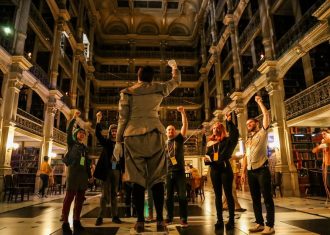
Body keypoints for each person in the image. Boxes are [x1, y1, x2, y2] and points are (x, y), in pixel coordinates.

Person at [114, 61, 181, 233]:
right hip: (155, 133)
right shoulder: (158, 88)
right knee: (157, 178)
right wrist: (174, 68)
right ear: (152, 77)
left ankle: (140, 221)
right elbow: (176, 82)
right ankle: (160, 220)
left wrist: (118, 141)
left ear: (138, 76)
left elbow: (123, 118)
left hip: (132, 135)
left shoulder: (127, 92)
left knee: (137, 179)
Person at [241, 96, 275, 235]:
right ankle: (259, 223)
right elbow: (245, 157)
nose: (248, 125)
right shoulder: (248, 140)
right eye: (247, 124)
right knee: (254, 199)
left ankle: (270, 225)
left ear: (257, 123)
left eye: (250, 123)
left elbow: (266, 115)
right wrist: (243, 172)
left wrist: (260, 102)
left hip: (262, 170)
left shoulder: (263, 132)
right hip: (250, 171)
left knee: (267, 198)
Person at [205, 112, 239, 231]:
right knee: (217, 196)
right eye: (213, 128)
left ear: (221, 129)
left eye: (217, 128)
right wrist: (207, 159)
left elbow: (235, 135)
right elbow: (209, 156)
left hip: (225, 169)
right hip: (214, 170)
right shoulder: (210, 143)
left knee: (228, 195)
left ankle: (231, 220)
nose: (214, 130)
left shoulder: (227, 141)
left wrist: (229, 122)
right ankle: (219, 220)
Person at [61, 111, 92, 234]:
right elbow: (69, 131)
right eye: (80, 132)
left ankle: (76, 221)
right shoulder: (71, 143)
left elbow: (87, 164)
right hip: (73, 175)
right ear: (76, 134)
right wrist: (74, 118)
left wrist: (89, 176)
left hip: (83, 176)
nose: (82, 134)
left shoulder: (85, 148)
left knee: (80, 200)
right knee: (69, 199)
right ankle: (65, 223)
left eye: (83, 133)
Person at [93, 111, 122, 226]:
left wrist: (124, 172)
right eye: (113, 131)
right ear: (110, 133)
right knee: (104, 195)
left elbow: (123, 159)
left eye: (116, 131)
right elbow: (98, 135)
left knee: (114, 194)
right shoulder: (106, 142)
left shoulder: (121, 144)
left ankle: (115, 216)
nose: (114, 133)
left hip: (116, 170)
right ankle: (100, 217)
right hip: (106, 170)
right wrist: (98, 120)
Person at [165, 106, 189, 227]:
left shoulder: (179, 139)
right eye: (169, 130)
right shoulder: (163, 144)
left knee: (182, 197)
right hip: (168, 173)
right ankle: (169, 217)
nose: (171, 131)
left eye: (172, 129)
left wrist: (183, 113)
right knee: (168, 197)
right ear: (166, 133)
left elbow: (184, 126)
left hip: (179, 172)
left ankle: (183, 218)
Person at [312, 130, 330, 201]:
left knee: (328, 182)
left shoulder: (328, 141)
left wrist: (325, 143)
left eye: (324, 134)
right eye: (322, 134)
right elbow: (313, 151)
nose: (323, 135)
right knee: (327, 183)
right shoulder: (324, 142)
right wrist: (320, 146)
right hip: (326, 164)